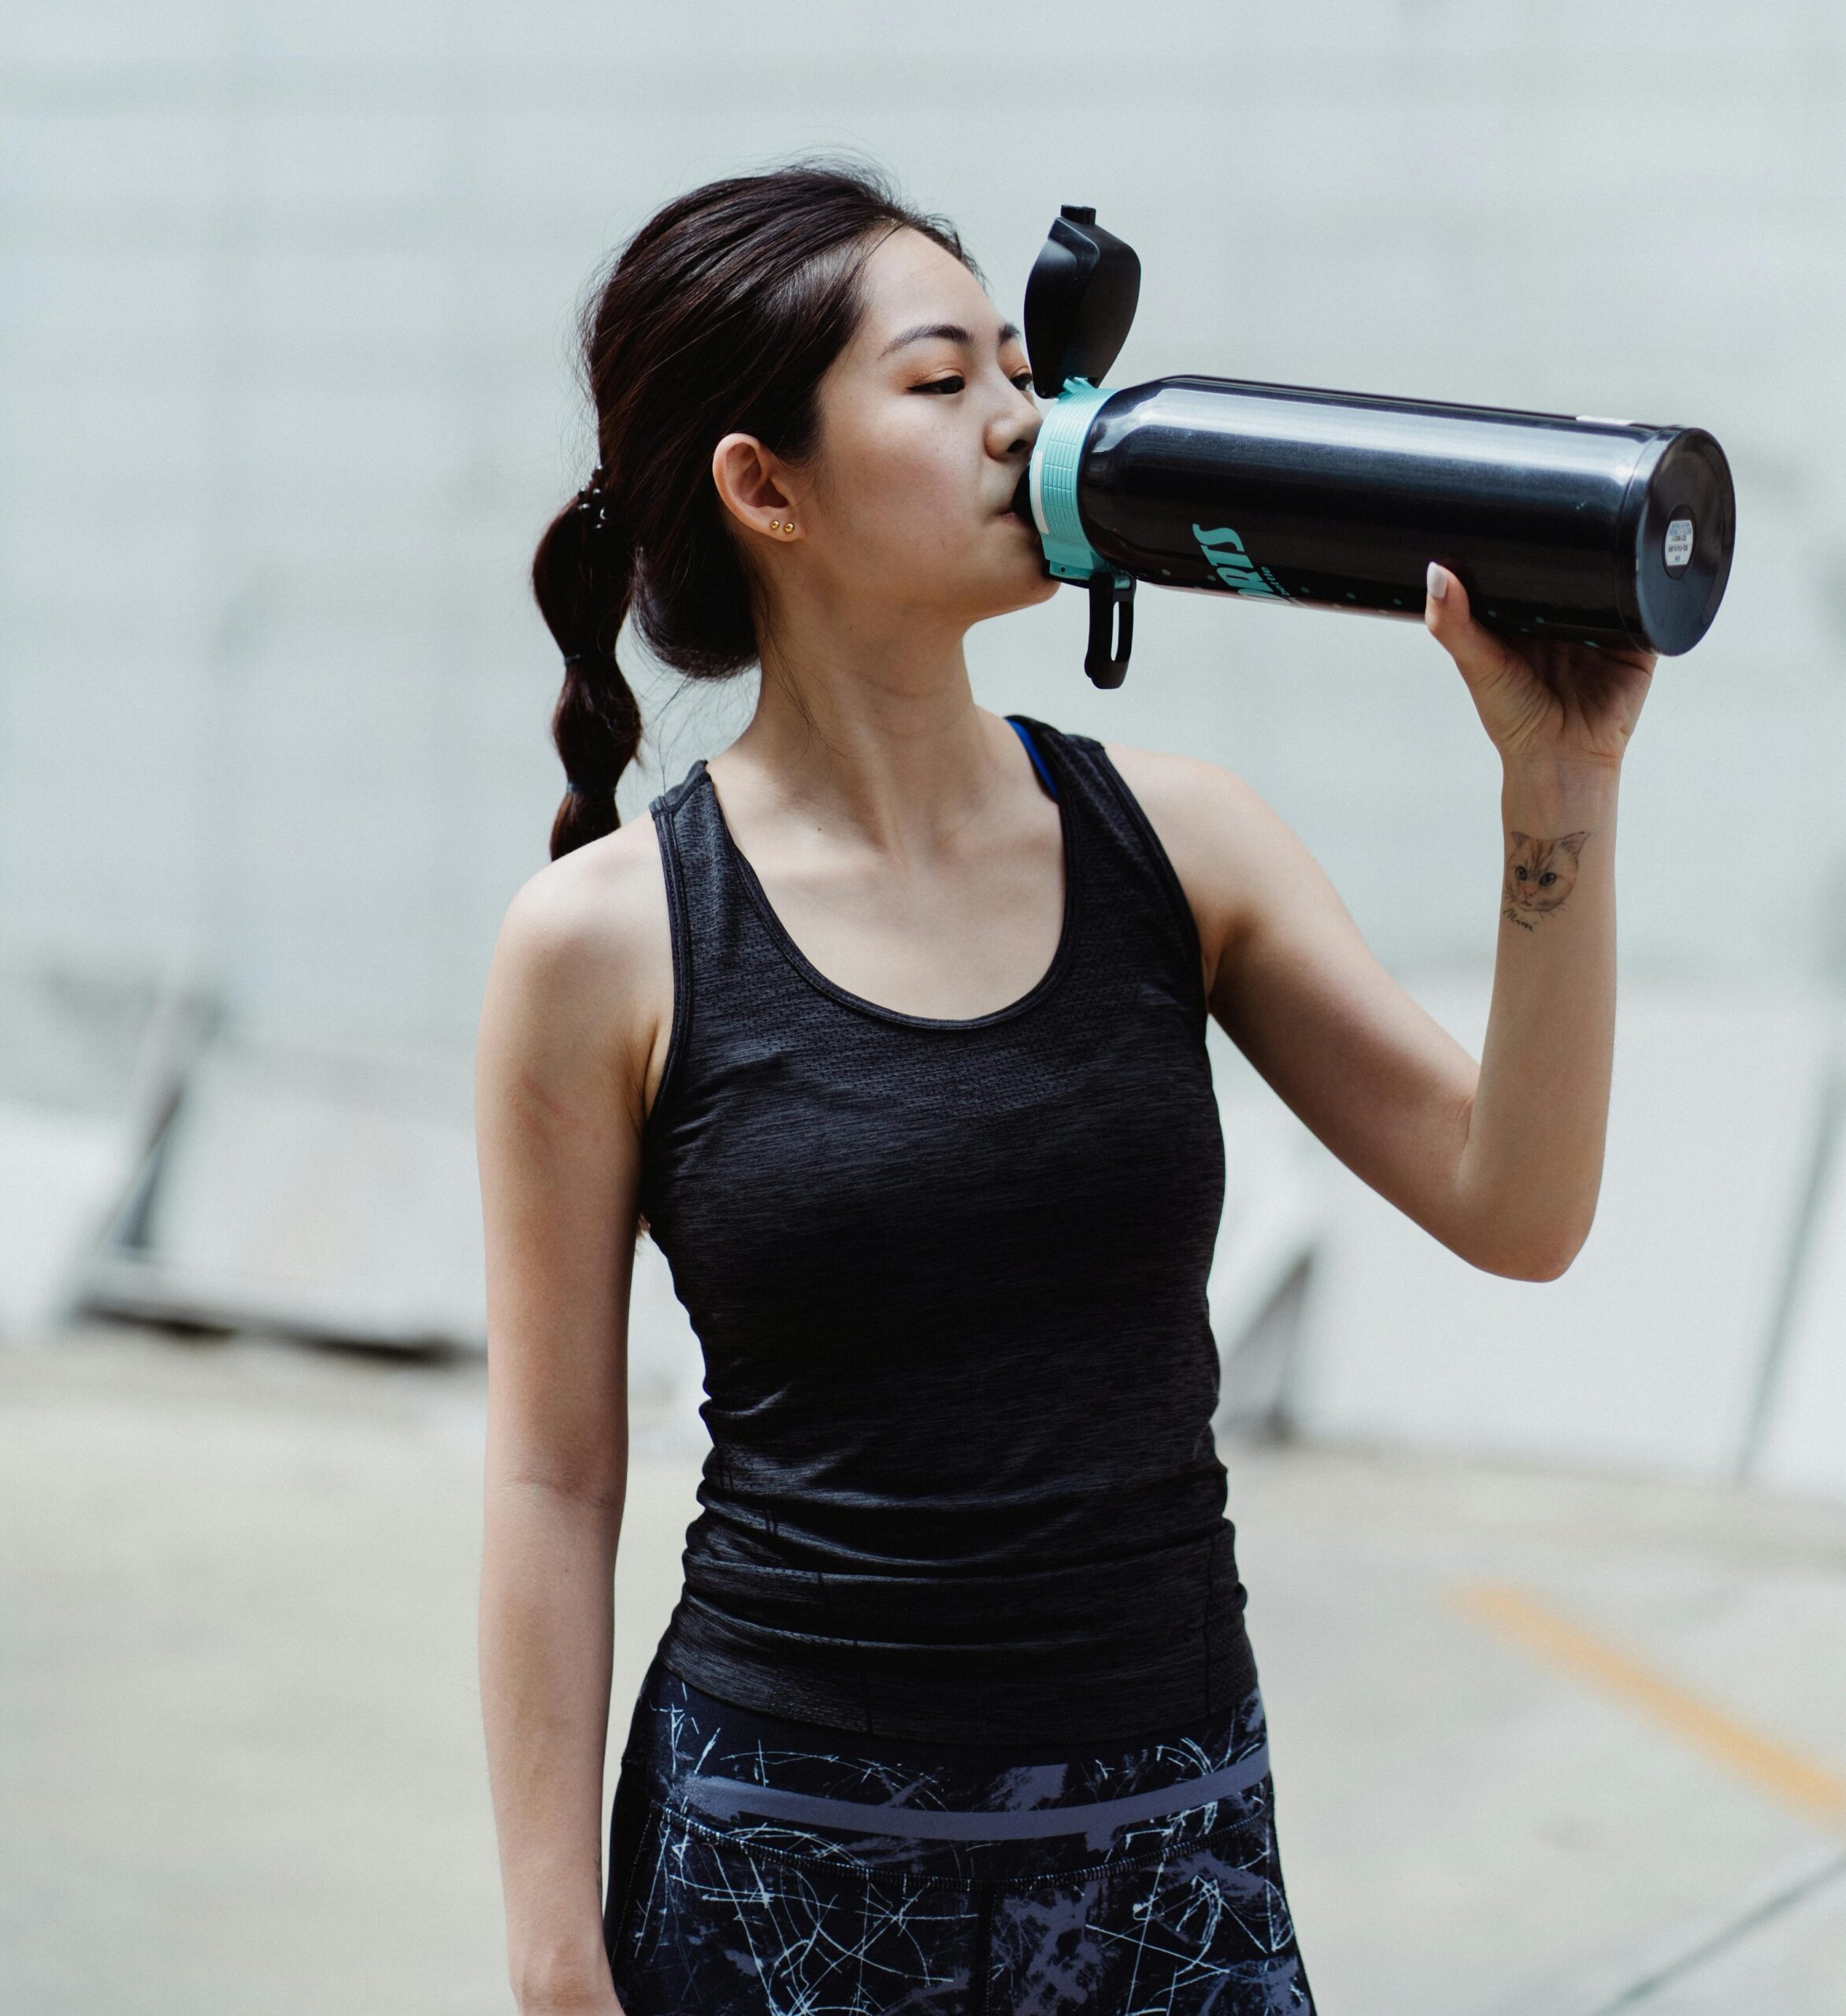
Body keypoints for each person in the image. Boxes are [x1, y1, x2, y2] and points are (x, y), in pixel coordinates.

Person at [474, 164, 1652, 2016]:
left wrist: (1556, 779)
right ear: (762, 485)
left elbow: (1519, 1204)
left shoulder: (1178, 843)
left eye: (1020, 370)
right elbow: (552, 1467)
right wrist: (554, 1949)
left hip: (1164, 1833)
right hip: (780, 1845)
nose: (1024, 423)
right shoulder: (607, 940)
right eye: (942, 384)